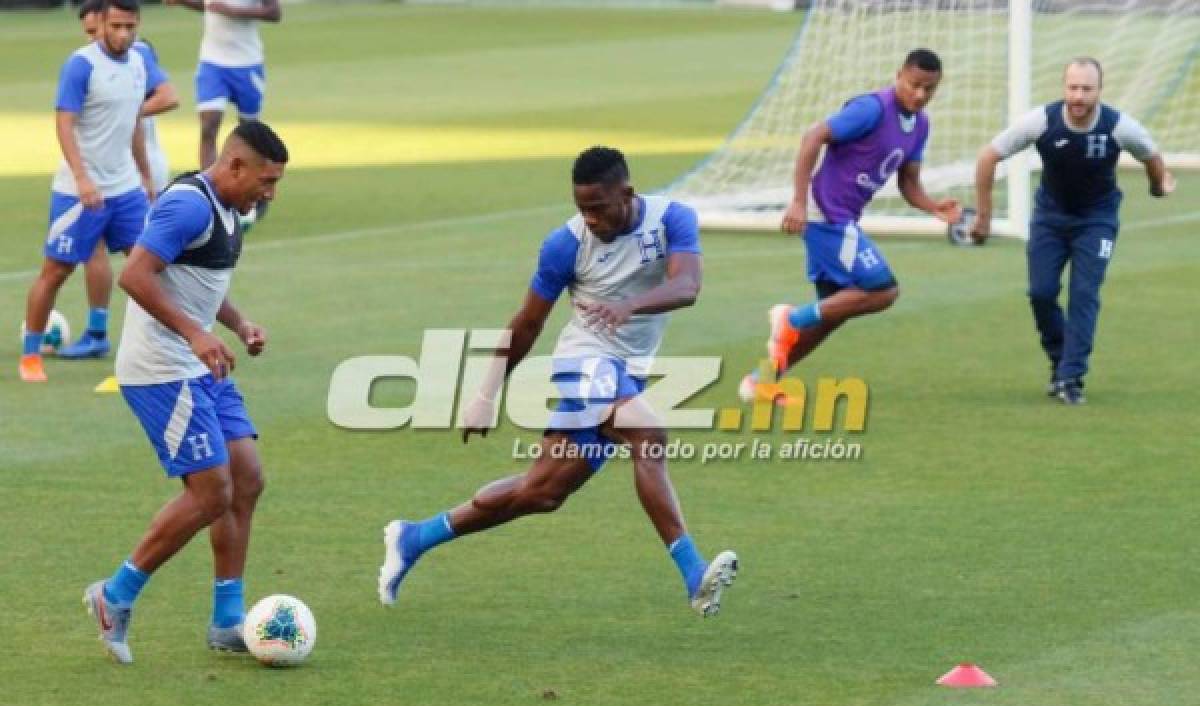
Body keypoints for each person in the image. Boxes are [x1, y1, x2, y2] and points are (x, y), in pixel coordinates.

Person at [377, 146, 738, 618]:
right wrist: (486, 394)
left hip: (628, 372)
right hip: (583, 362)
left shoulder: (673, 220)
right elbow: (526, 324)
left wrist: (629, 307)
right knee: (649, 436)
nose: (589, 218)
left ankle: (415, 536)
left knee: (542, 492)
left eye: (598, 207)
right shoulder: (565, 245)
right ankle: (694, 573)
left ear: (626, 194)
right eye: (581, 208)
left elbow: (687, 286)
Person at [82, 120, 288, 664]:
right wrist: (196, 334)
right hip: (160, 371)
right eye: (266, 181)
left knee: (247, 479)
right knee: (210, 492)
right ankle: (115, 594)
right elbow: (137, 275)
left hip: (201, 367)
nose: (270, 194)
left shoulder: (229, 213)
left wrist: (238, 324)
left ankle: (227, 621)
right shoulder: (189, 205)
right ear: (234, 165)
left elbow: (201, 284)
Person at [739, 49, 961, 402]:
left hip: (842, 217)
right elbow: (813, 136)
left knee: (830, 315)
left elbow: (908, 182)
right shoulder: (871, 108)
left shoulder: (920, 125)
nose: (920, 95)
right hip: (826, 214)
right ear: (899, 75)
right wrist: (797, 200)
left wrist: (934, 207)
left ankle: (761, 380)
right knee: (882, 290)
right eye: (914, 85)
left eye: (929, 89)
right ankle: (790, 319)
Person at [972, 57, 1173, 405]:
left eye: (1086, 89)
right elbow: (988, 156)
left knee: (1084, 293)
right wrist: (985, 216)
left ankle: (1071, 377)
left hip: (1097, 220)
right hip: (1050, 218)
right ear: (1064, 88)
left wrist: (1157, 186)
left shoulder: (1118, 126)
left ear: (1099, 91)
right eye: (1072, 88)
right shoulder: (1042, 121)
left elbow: (1151, 155)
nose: (1078, 96)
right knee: (1040, 292)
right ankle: (1060, 360)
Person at [20, 0, 158, 383]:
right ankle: (30, 355)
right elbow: (65, 124)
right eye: (116, 26)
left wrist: (144, 174)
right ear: (101, 24)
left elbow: (133, 123)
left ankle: (156, 349)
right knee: (56, 271)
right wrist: (82, 179)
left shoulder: (138, 62)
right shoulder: (81, 65)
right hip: (79, 191)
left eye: (130, 26)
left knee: (153, 265)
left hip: (125, 188)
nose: (123, 34)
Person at [65, 0, 180, 369]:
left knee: (144, 260)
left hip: (134, 169)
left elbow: (170, 96)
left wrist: (125, 110)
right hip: (124, 168)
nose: (95, 37)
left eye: (95, 28)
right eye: (89, 33)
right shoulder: (93, 61)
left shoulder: (137, 54)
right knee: (121, 255)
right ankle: (102, 333)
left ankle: (168, 333)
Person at [164, 0, 281, 170]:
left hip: (247, 63)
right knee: (208, 126)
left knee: (249, 130)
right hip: (212, 62)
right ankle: (208, 186)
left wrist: (233, 11)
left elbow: (274, 13)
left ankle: (249, 183)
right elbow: (209, 6)